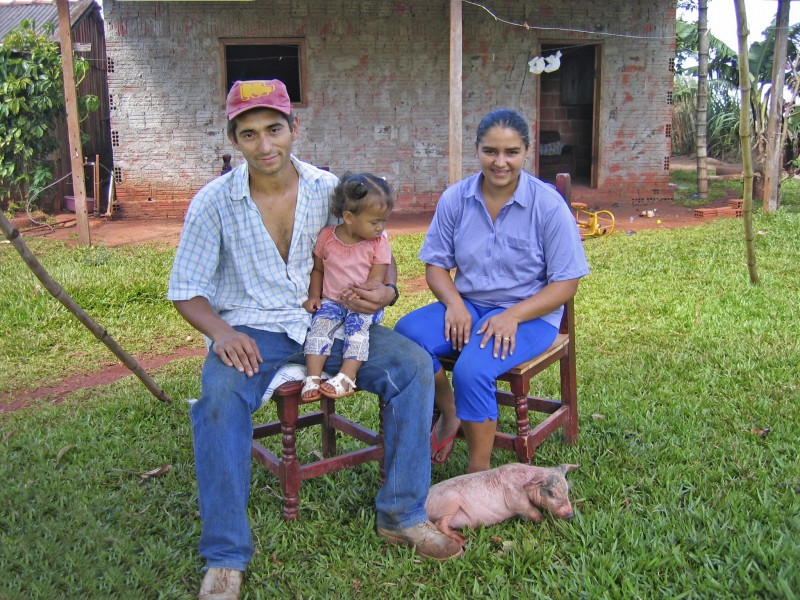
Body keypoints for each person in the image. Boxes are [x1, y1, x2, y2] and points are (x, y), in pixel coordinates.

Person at [167, 79, 462, 600]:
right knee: (216, 400)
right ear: (235, 139)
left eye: (274, 129)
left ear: (293, 128)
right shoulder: (212, 203)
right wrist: (221, 332)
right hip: (252, 329)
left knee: (413, 367)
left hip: (332, 320)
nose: (265, 146)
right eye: (250, 134)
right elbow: (186, 291)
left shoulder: (332, 190)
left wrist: (385, 293)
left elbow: (378, 249)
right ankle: (225, 555)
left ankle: (401, 513)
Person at [394, 108, 589, 475]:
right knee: (407, 336)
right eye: (490, 151)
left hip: (528, 315)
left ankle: (478, 474)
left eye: (511, 152)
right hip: (468, 306)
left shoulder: (547, 206)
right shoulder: (456, 198)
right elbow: (436, 266)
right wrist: (453, 303)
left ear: (526, 152)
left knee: (472, 369)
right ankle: (449, 412)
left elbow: (567, 283)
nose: (500, 162)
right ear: (478, 150)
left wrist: (513, 315)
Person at [301, 172, 394, 402]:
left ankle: (347, 376)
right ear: (349, 217)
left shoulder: (378, 243)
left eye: (384, 221)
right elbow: (319, 269)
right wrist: (314, 295)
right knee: (319, 329)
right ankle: (312, 377)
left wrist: (361, 296)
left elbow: (376, 280)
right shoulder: (327, 237)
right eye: (375, 222)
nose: (381, 228)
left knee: (357, 331)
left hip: (362, 304)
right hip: (332, 301)